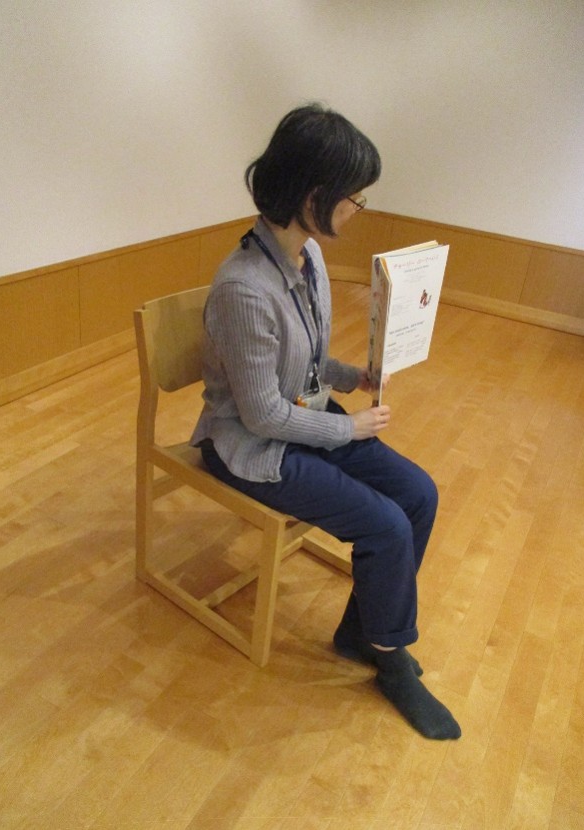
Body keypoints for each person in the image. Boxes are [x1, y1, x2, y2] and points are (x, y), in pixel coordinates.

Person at [191, 103, 461, 740]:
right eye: (354, 197)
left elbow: (304, 360)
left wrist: (349, 375)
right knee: (386, 523)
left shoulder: (307, 257)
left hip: (303, 417)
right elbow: (261, 414)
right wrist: (349, 428)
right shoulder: (243, 287)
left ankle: (363, 633)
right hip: (249, 447)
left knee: (418, 494)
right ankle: (390, 659)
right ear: (314, 196)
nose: (357, 208)